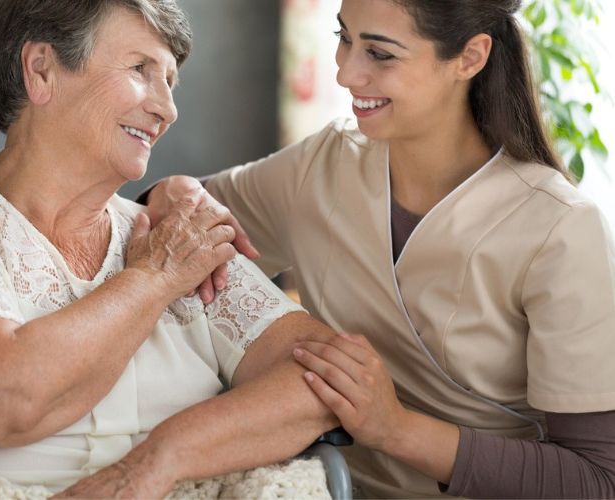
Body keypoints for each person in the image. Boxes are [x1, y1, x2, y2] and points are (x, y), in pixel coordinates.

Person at [0, 0, 343, 498]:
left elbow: (324, 375)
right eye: (141, 69)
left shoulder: (179, 233)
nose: (167, 108)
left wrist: (151, 467)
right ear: (41, 71)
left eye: (171, 82)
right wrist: (154, 278)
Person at [143, 0, 615, 497]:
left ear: (470, 58)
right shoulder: (324, 165)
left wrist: (395, 428)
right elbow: (176, 215)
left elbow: (597, 479)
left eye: (381, 54)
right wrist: (174, 191)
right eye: (344, 37)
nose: (346, 73)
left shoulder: (561, 230)